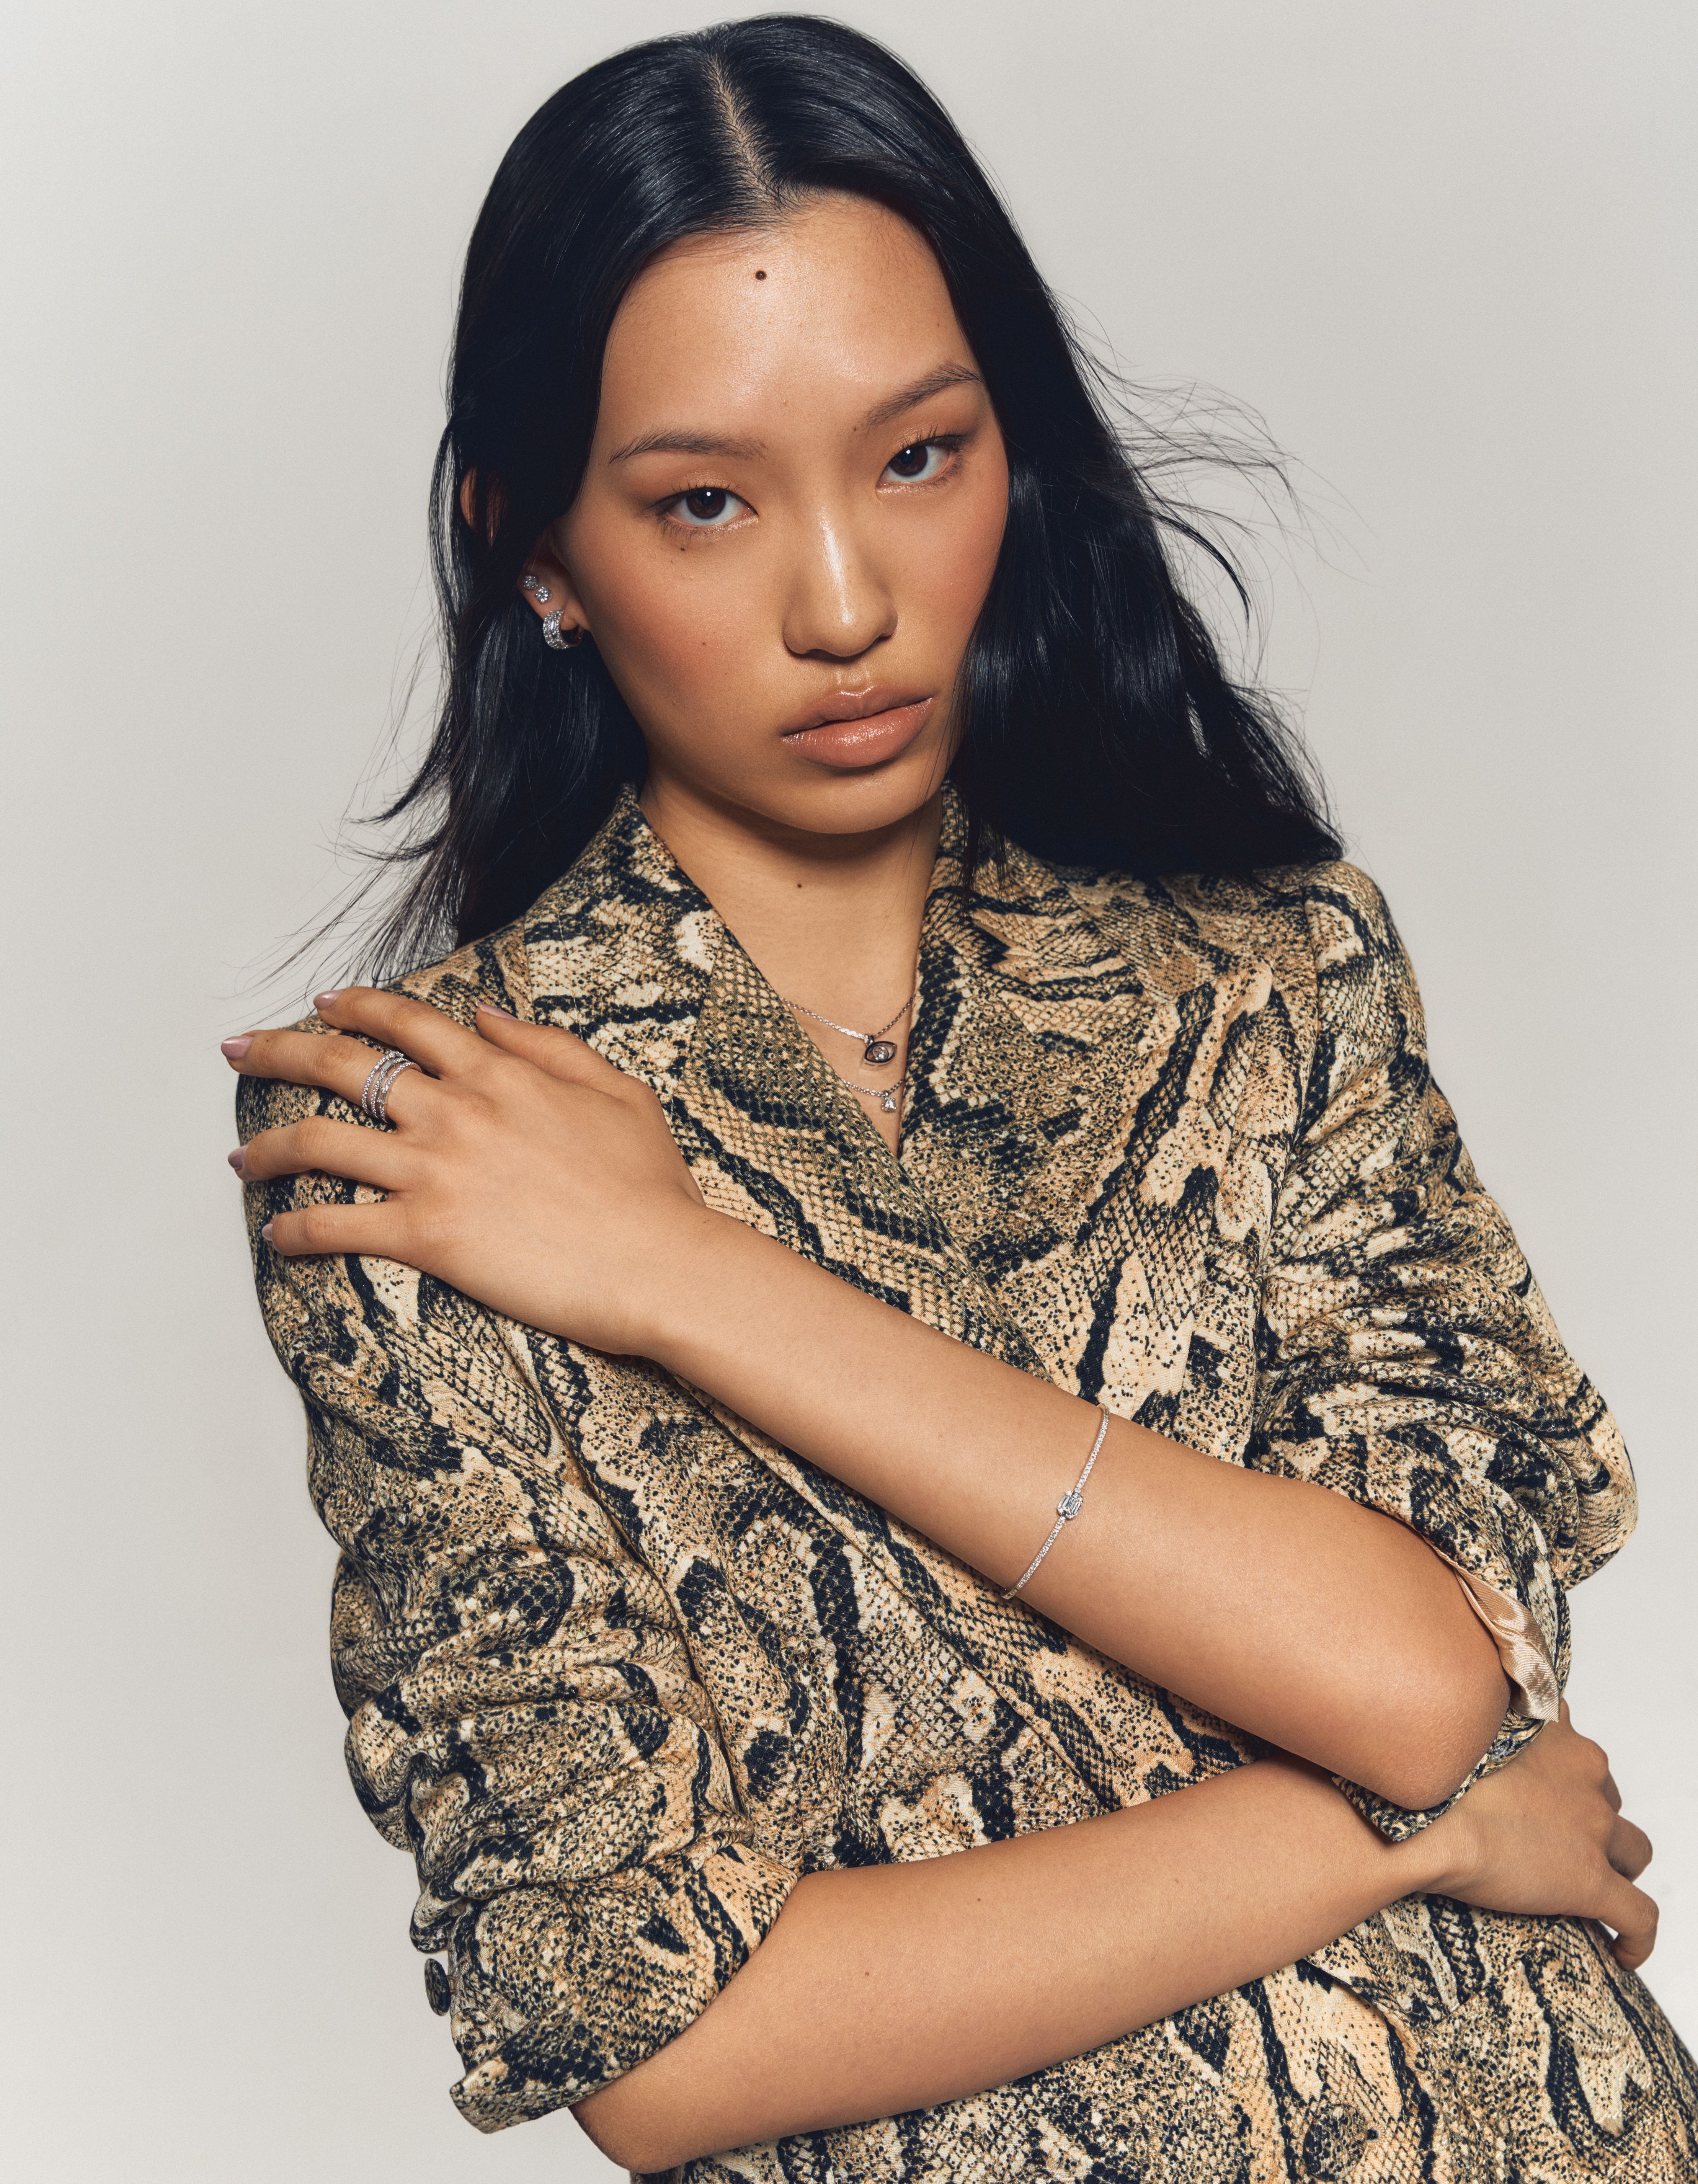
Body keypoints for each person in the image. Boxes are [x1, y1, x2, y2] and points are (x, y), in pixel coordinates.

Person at [226, 16, 1695, 2179]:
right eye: (704, 503)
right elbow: (666, 2046)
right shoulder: (424, 1139)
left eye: (916, 457)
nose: (844, 602)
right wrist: (1389, 1849)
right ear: (533, 547)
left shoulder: (1272, 973)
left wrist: (678, 1275)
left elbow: (1419, 1680)